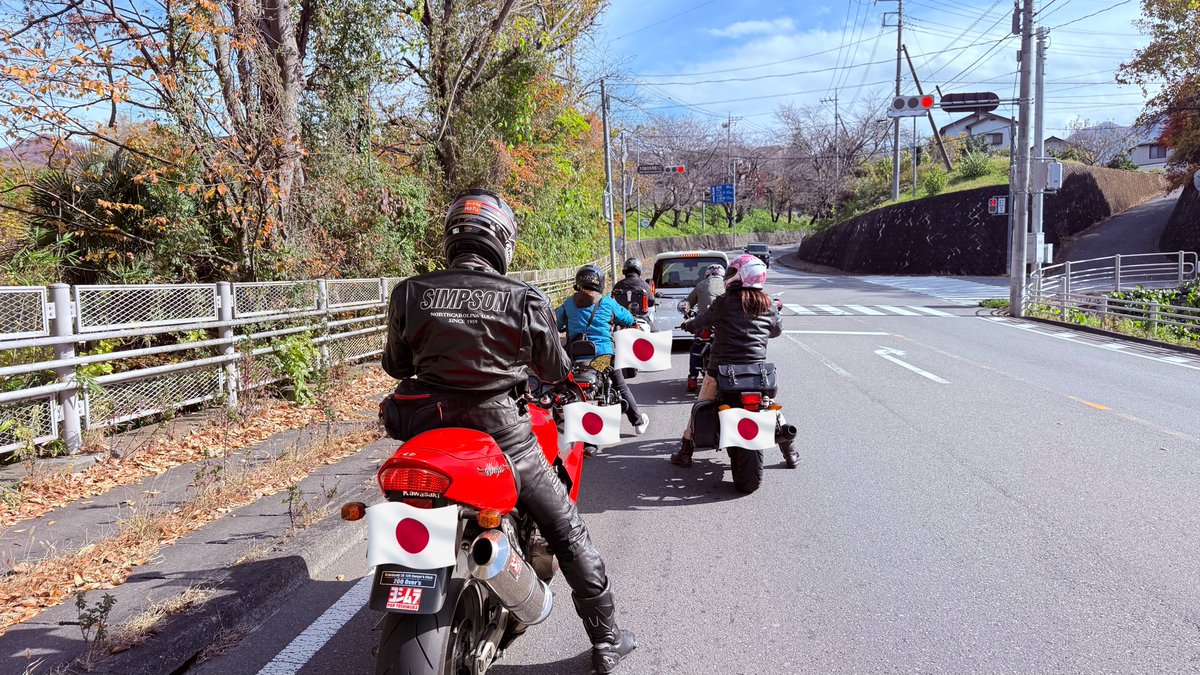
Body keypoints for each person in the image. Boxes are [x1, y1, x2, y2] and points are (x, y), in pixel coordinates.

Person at [382, 189, 636, 673]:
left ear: (452, 237)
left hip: (423, 426)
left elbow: (396, 365)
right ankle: (606, 640)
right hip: (501, 429)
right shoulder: (523, 298)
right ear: (502, 240)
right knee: (565, 528)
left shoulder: (409, 292)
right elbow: (556, 367)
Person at [671, 254, 795, 468]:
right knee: (770, 407)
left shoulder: (724, 302)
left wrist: (688, 325)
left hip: (721, 370)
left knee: (700, 405)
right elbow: (776, 331)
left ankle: (685, 451)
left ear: (740, 275)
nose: (728, 276)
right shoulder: (768, 303)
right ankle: (790, 452)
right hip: (757, 372)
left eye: (731, 272)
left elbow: (702, 321)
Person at [556, 264, 650, 439]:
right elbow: (629, 318)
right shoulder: (607, 302)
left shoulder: (569, 303)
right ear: (599, 283)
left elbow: (556, 322)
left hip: (575, 357)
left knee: (562, 385)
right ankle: (638, 422)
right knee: (621, 385)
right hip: (603, 357)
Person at [683, 264, 726, 392]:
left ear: (707, 274)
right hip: (723, 325)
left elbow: (688, 303)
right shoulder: (727, 286)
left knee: (696, 347)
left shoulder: (701, 284)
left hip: (705, 323)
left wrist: (687, 313)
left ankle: (692, 378)